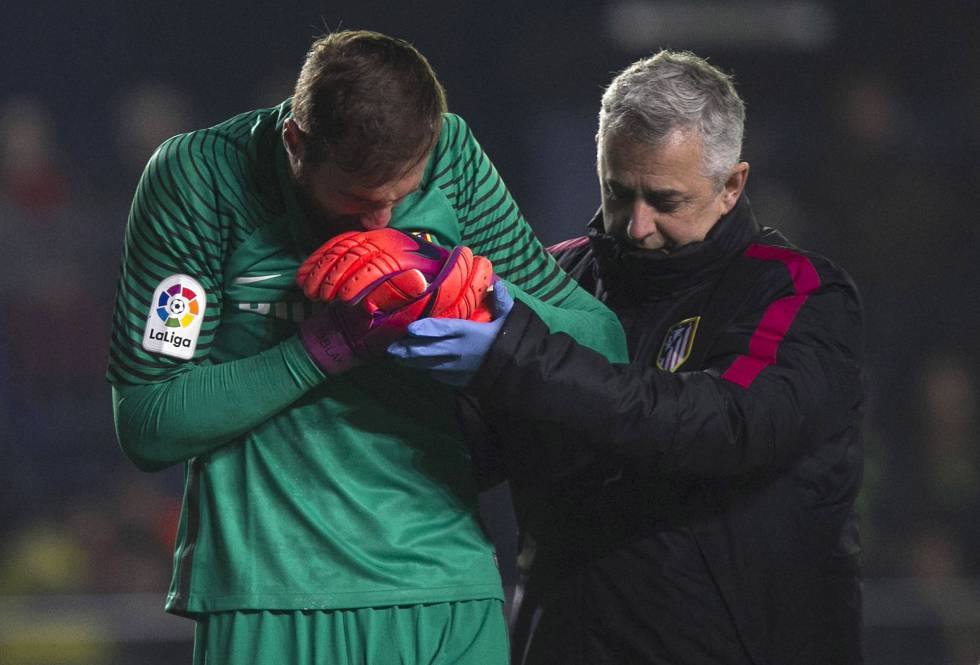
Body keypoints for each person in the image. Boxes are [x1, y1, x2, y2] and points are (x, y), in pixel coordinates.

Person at [106, 30, 626, 664]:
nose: (381, 222)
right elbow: (148, 421)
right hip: (269, 595)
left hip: (444, 586)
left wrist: (482, 292)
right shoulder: (200, 177)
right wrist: (320, 350)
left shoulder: (451, 156)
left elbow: (602, 343)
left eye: (399, 198)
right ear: (296, 142)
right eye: (356, 198)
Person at [389, 50, 865, 664]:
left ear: (731, 187)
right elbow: (475, 451)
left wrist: (514, 358)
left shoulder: (799, 292)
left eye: (664, 201)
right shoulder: (557, 279)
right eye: (618, 193)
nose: (636, 225)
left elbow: (723, 424)